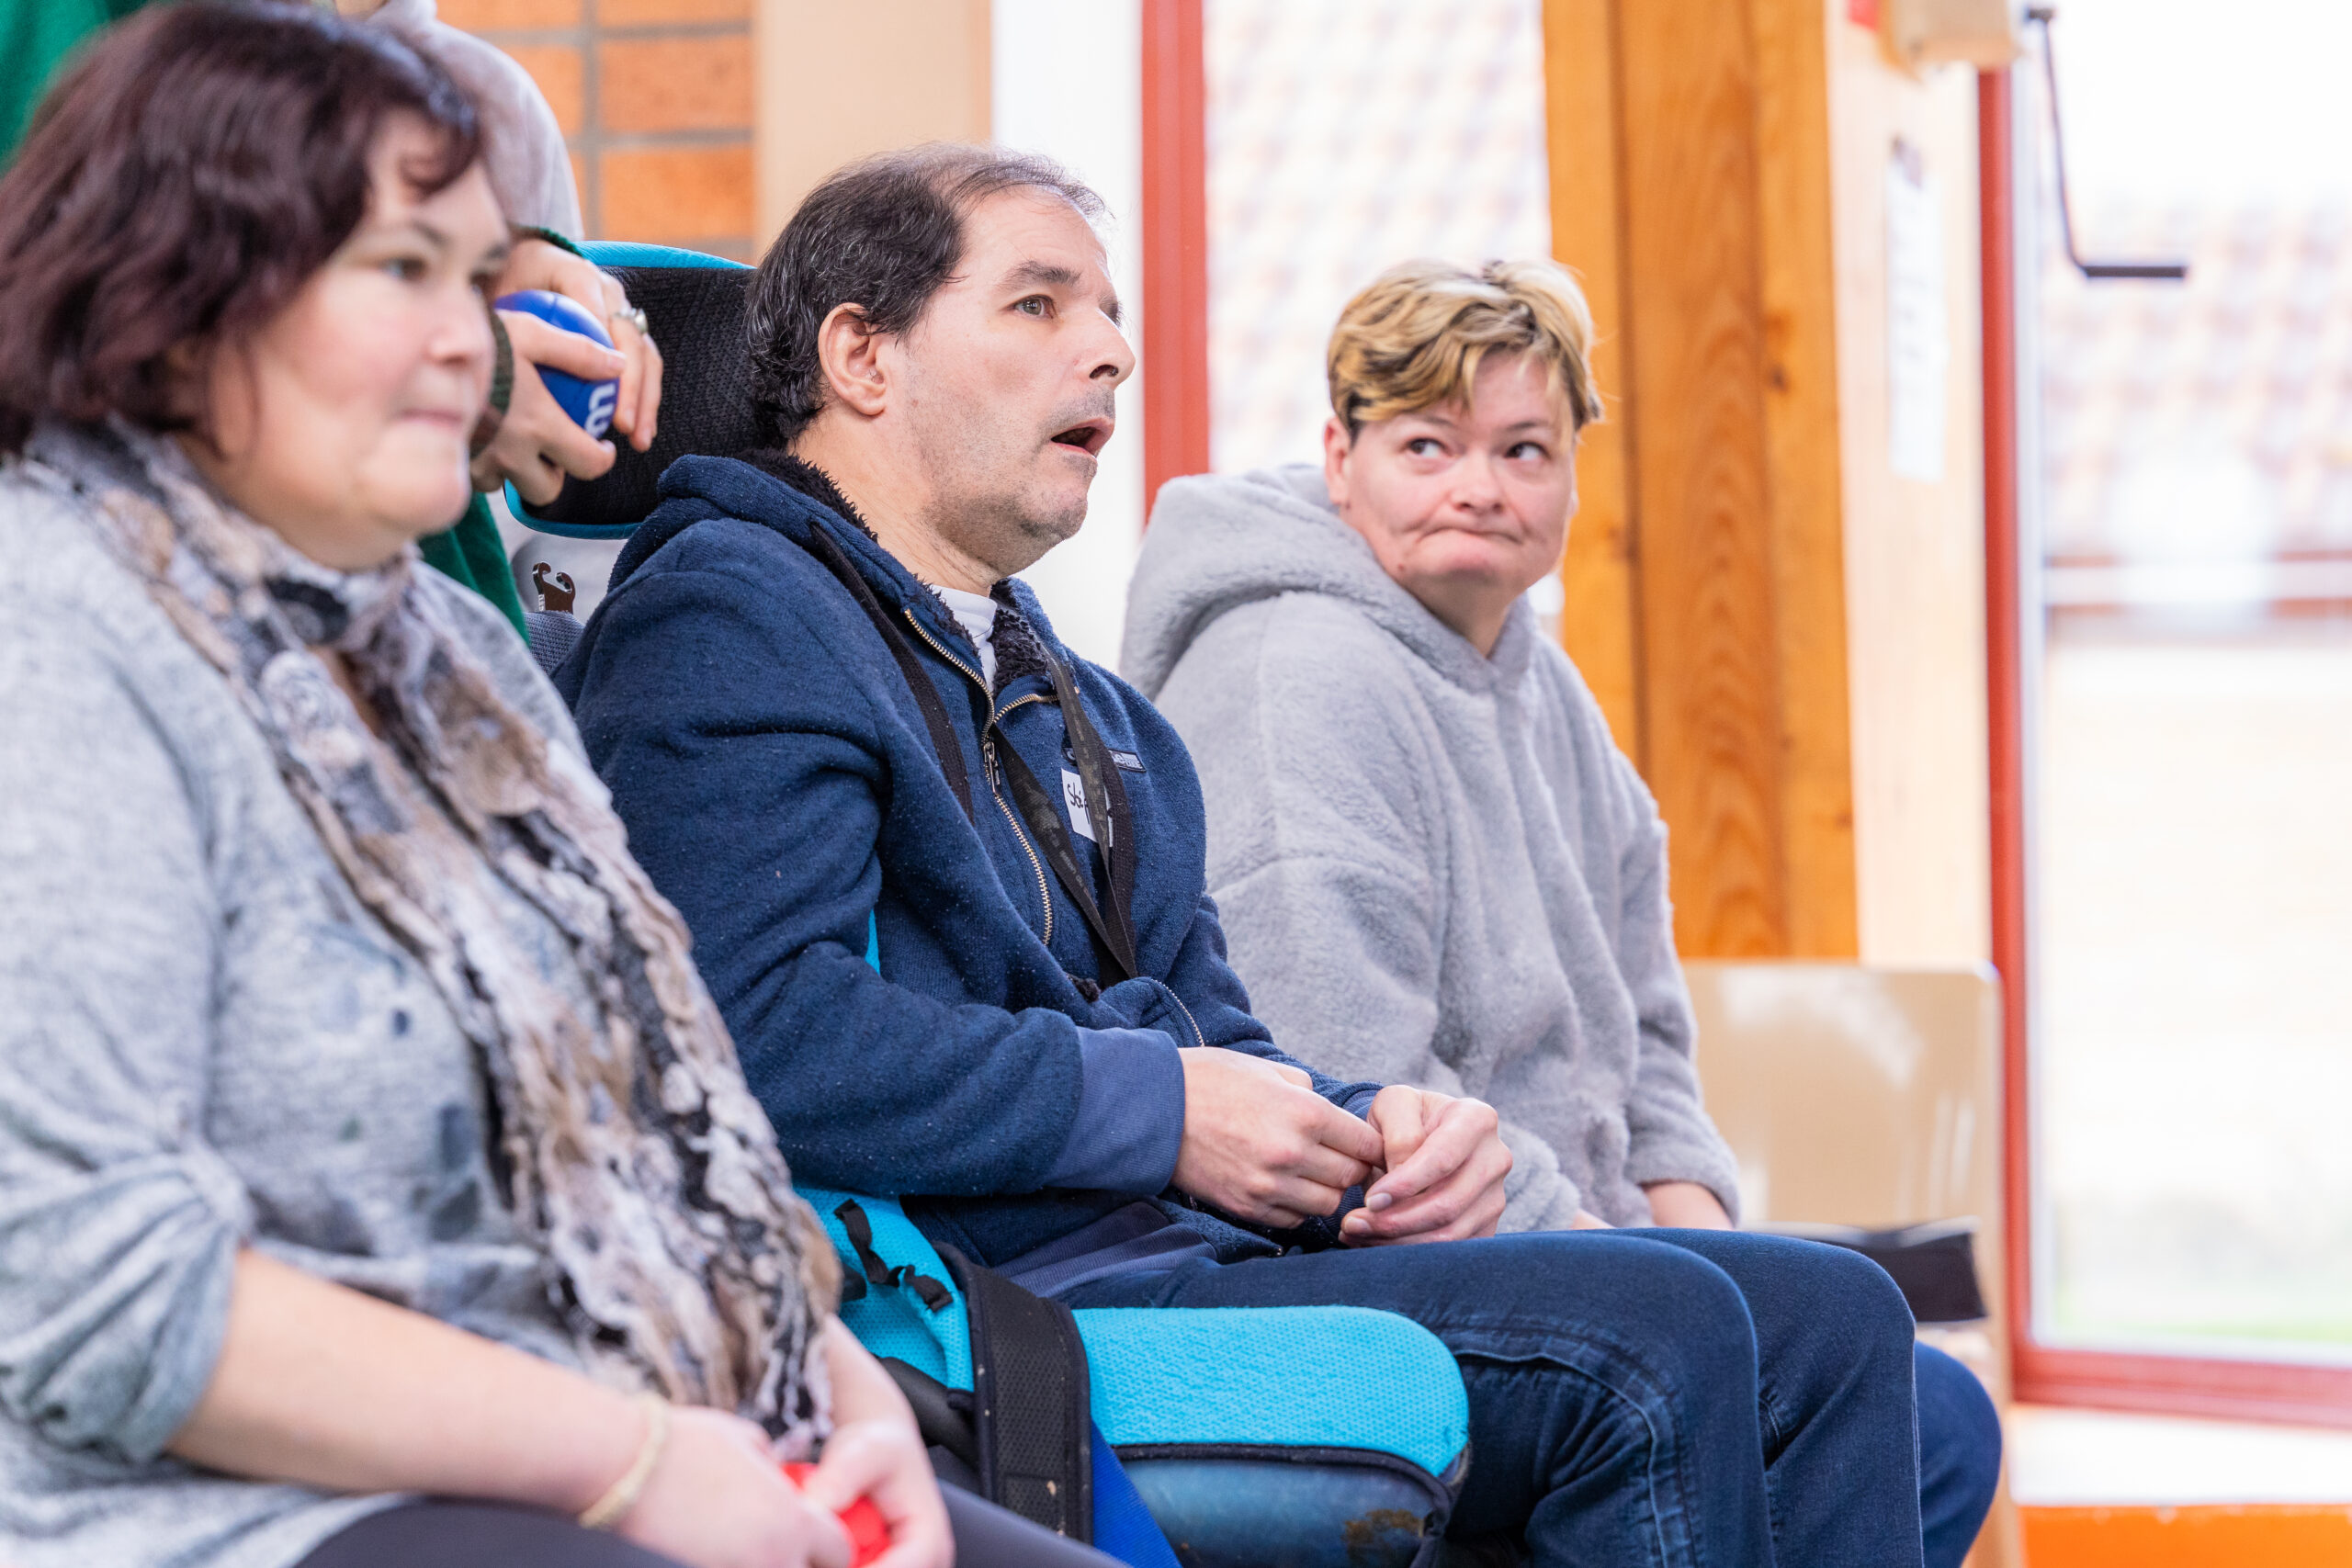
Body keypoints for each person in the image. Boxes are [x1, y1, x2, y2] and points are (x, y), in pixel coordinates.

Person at [560, 142, 1934, 1567]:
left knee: (1841, 1324)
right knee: (1663, 1335)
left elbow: (1220, 1043)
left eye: (1109, 313)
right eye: (1038, 305)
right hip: (1001, 1296)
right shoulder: (731, 613)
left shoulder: (1097, 717)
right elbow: (748, 1033)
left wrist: (1377, 1140)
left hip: (1186, 1251)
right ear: (864, 357)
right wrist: (1160, 1109)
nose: (1111, 350)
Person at [0, 11, 1120, 1568]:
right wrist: (636, 1464)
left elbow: (676, 1130)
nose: (477, 343)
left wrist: (842, 1400)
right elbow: (98, 1298)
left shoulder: (458, 649)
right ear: (174, 299)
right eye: (402, 271)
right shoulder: (58, 638)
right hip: (264, 1510)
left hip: (664, 1438)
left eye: (484, 280)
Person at [1119, 256, 2005, 1568]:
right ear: (1341, 459)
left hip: (1556, 1243)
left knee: (1930, 1412)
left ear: (1575, 475)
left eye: (1524, 449)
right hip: (1352, 1259)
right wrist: (1670, 1285)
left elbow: (1648, 1042)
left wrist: (1715, 1259)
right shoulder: (1295, 674)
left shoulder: (1538, 684)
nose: (1481, 486)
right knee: (1802, 1351)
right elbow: (1343, 1088)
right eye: (1428, 445)